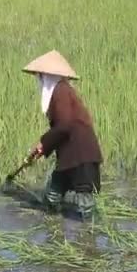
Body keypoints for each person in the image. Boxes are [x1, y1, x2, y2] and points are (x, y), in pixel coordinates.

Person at [21, 49, 103, 220]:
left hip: (81, 156)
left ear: (48, 76)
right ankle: (53, 231)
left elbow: (64, 125)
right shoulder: (60, 92)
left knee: (85, 205)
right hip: (69, 156)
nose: (39, 80)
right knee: (53, 195)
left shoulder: (61, 92)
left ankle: (89, 238)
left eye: (41, 76)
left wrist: (44, 142)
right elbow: (62, 127)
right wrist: (45, 146)